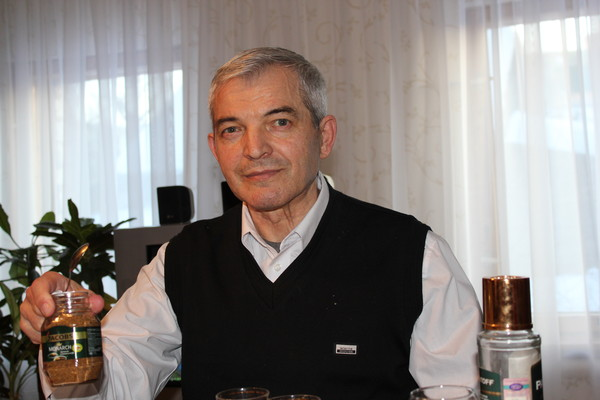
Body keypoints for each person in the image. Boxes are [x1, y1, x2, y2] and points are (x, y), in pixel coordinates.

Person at [20, 47, 481, 400]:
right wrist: (64, 336)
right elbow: (110, 387)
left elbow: (457, 392)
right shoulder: (180, 261)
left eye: (279, 122)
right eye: (232, 129)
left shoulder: (414, 255)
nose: (254, 149)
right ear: (214, 148)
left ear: (324, 136)